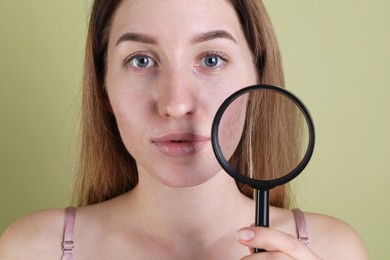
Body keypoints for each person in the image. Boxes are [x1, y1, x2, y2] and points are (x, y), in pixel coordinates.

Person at [0, 0, 368, 259]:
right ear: (104, 87)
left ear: (258, 77)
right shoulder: (32, 250)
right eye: (141, 60)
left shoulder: (333, 250)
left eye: (211, 59)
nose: (176, 104)